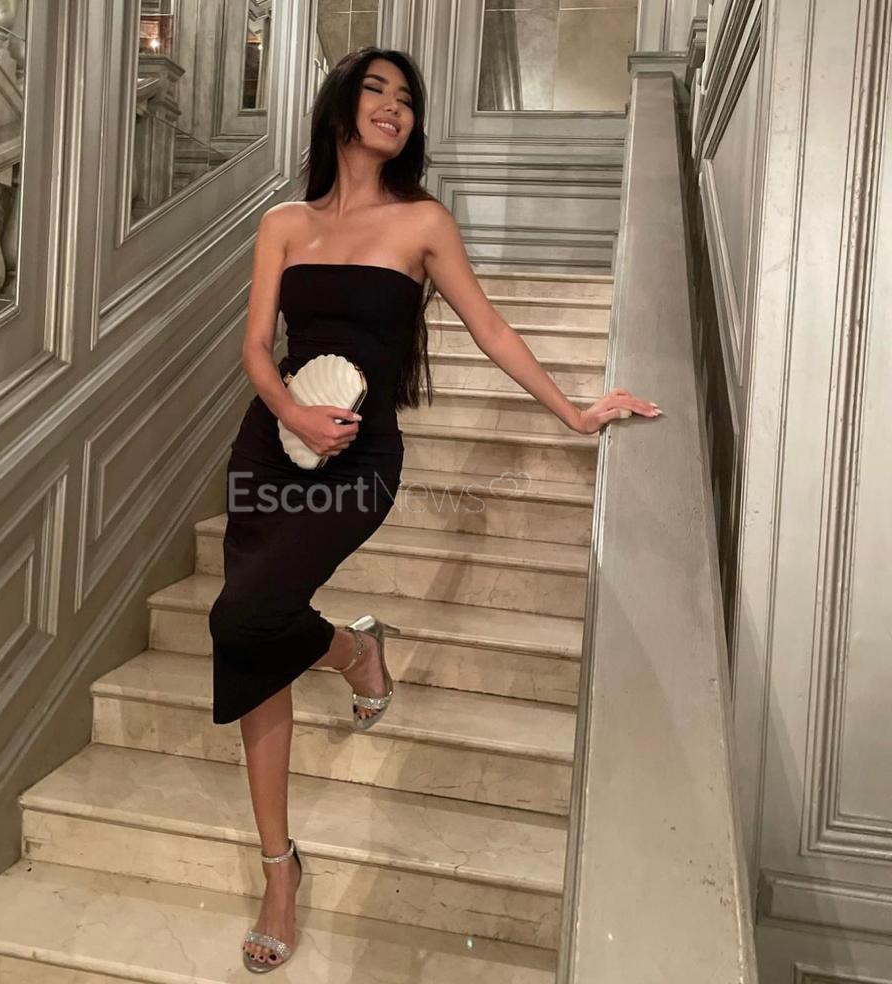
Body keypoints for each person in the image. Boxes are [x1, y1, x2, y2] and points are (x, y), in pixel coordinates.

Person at [207, 45, 661, 973]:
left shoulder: (422, 222)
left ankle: (353, 652)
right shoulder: (284, 223)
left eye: (407, 99)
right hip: (272, 445)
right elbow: (257, 346)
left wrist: (575, 411)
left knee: (244, 616)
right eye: (376, 90)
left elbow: (488, 327)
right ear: (340, 106)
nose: (394, 107)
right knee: (251, 639)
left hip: (361, 459)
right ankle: (280, 865)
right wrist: (290, 410)